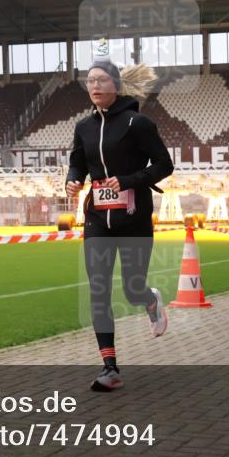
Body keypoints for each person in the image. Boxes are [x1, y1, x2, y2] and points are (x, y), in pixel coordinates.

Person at [66, 57, 174, 391]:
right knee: (98, 288)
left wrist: (128, 180)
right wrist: (73, 181)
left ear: (116, 84)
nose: (94, 86)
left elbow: (163, 165)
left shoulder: (136, 123)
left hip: (133, 217)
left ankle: (150, 300)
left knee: (131, 287)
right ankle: (109, 367)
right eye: (89, 81)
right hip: (97, 218)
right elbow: (78, 162)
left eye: (101, 80)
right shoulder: (83, 127)